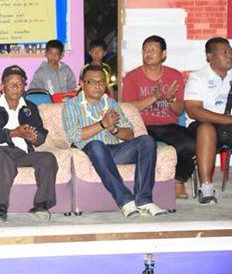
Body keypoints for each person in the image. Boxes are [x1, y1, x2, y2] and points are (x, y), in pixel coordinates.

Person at [62, 65, 166, 217]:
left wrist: (114, 130)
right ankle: (125, 201)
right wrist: (102, 124)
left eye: (101, 82)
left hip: (116, 150)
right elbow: (73, 135)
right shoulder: (71, 105)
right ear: (82, 84)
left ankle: (144, 200)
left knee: (147, 141)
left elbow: (130, 134)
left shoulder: (111, 104)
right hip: (90, 153)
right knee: (96, 145)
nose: (98, 86)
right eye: (92, 82)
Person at [0, 66, 58, 222]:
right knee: (2, 154)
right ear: (2, 86)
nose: (15, 87)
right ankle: (0, 207)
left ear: (24, 88)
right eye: (11, 83)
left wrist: (34, 137)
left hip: (22, 153)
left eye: (19, 84)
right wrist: (12, 133)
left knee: (48, 158)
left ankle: (41, 205)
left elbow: (40, 136)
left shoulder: (30, 108)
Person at [122, 35, 193, 199]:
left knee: (189, 143)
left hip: (168, 126)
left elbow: (179, 111)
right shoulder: (132, 77)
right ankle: (147, 185)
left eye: (153, 50)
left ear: (163, 54)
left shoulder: (174, 75)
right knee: (142, 146)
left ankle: (178, 180)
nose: (148, 53)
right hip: (142, 126)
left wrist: (170, 99)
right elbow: (127, 108)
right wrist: (153, 97)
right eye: (145, 50)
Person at [184, 37, 232, 204]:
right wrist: (227, 119)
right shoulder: (197, 77)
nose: (229, 55)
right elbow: (193, 110)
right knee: (206, 128)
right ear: (209, 56)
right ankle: (206, 187)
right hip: (201, 126)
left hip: (229, 126)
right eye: (224, 52)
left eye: (230, 51)